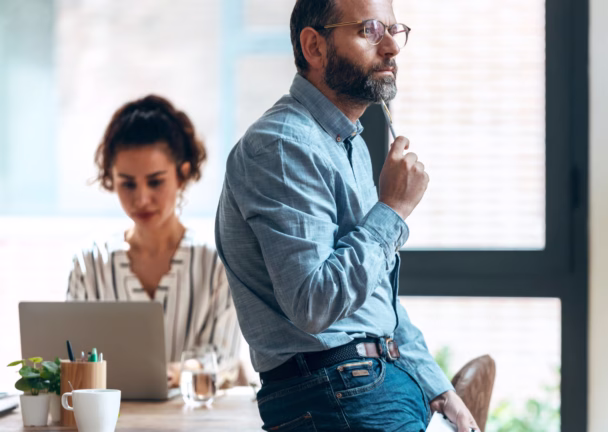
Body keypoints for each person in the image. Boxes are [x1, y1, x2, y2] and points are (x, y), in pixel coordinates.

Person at [214, 0, 479, 431]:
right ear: (314, 47)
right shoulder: (283, 145)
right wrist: (392, 209)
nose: (391, 47)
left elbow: (376, 300)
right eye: (370, 30)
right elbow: (313, 304)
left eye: (394, 30)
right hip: (336, 392)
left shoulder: (344, 142)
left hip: (370, 383)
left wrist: (438, 386)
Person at [67, 95, 241, 387]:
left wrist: (177, 372)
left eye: (155, 181)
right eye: (127, 183)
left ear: (182, 175)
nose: (141, 199)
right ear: (111, 179)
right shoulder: (89, 263)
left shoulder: (218, 263)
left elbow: (224, 358)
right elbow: (72, 356)